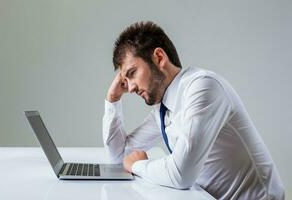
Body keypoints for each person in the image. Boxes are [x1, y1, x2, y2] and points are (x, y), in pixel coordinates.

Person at [102, 21, 285, 199]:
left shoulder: (203, 88)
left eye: (132, 73)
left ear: (159, 58)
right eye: (125, 80)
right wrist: (113, 100)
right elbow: (119, 155)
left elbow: (182, 174)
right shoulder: (163, 110)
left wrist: (139, 165)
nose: (131, 87)